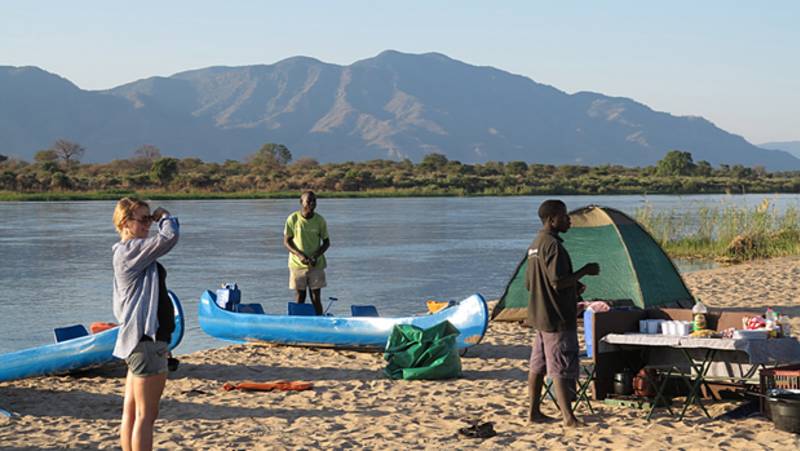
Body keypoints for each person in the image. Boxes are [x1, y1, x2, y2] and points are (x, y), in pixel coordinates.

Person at [111, 197, 179, 451]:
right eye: (143, 219)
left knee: (131, 412)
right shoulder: (130, 251)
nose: (148, 225)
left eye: (150, 219)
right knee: (146, 416)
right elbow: (169, 237)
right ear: (126, 223)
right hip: (147, 342)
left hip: (137, 341)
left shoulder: (127, 252)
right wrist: (164, 217)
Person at [526, 199, 600, 427]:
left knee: (538, 366)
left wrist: (574, 287)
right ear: (551, 219)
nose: (568, 220)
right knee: (561, 364)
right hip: (557, 316)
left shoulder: (535, 244)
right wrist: (584, 272)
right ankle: (568, 417)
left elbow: (531, 283)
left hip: (539, 315)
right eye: (564, 216)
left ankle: (534, 413)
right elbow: (557, 281)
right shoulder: (553, 246)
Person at [283, 190, 330, 315]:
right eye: (309, 201)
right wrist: (299, 255)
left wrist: (315, 256)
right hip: (297, 264)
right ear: (301, 202)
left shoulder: (320, 220)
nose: (312, 203)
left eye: (314, 201)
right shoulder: (293, 218)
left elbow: (326, 242)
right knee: (300, 295)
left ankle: (320, 320)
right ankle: (298, 321)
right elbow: (287, 241)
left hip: (316, 264)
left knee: (316, 296)